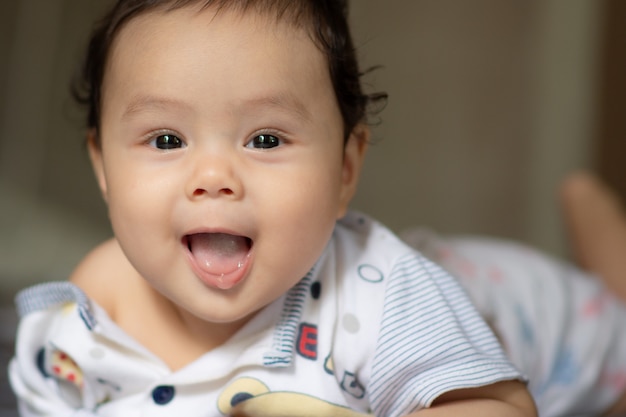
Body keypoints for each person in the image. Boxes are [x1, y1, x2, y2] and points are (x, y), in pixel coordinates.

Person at [7, 1, 536, 416]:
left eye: (264, 139)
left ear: (345, 169)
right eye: (166, 140)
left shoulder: (384, 294)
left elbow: (499, 406)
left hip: (529, 305)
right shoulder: (94, 312)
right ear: (103, 168)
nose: (213, 178)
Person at [401, 171, 626, 416]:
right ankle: (582, 193)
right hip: (542, 292)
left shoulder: (420, 309)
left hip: (600, 344)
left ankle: (582, 195)